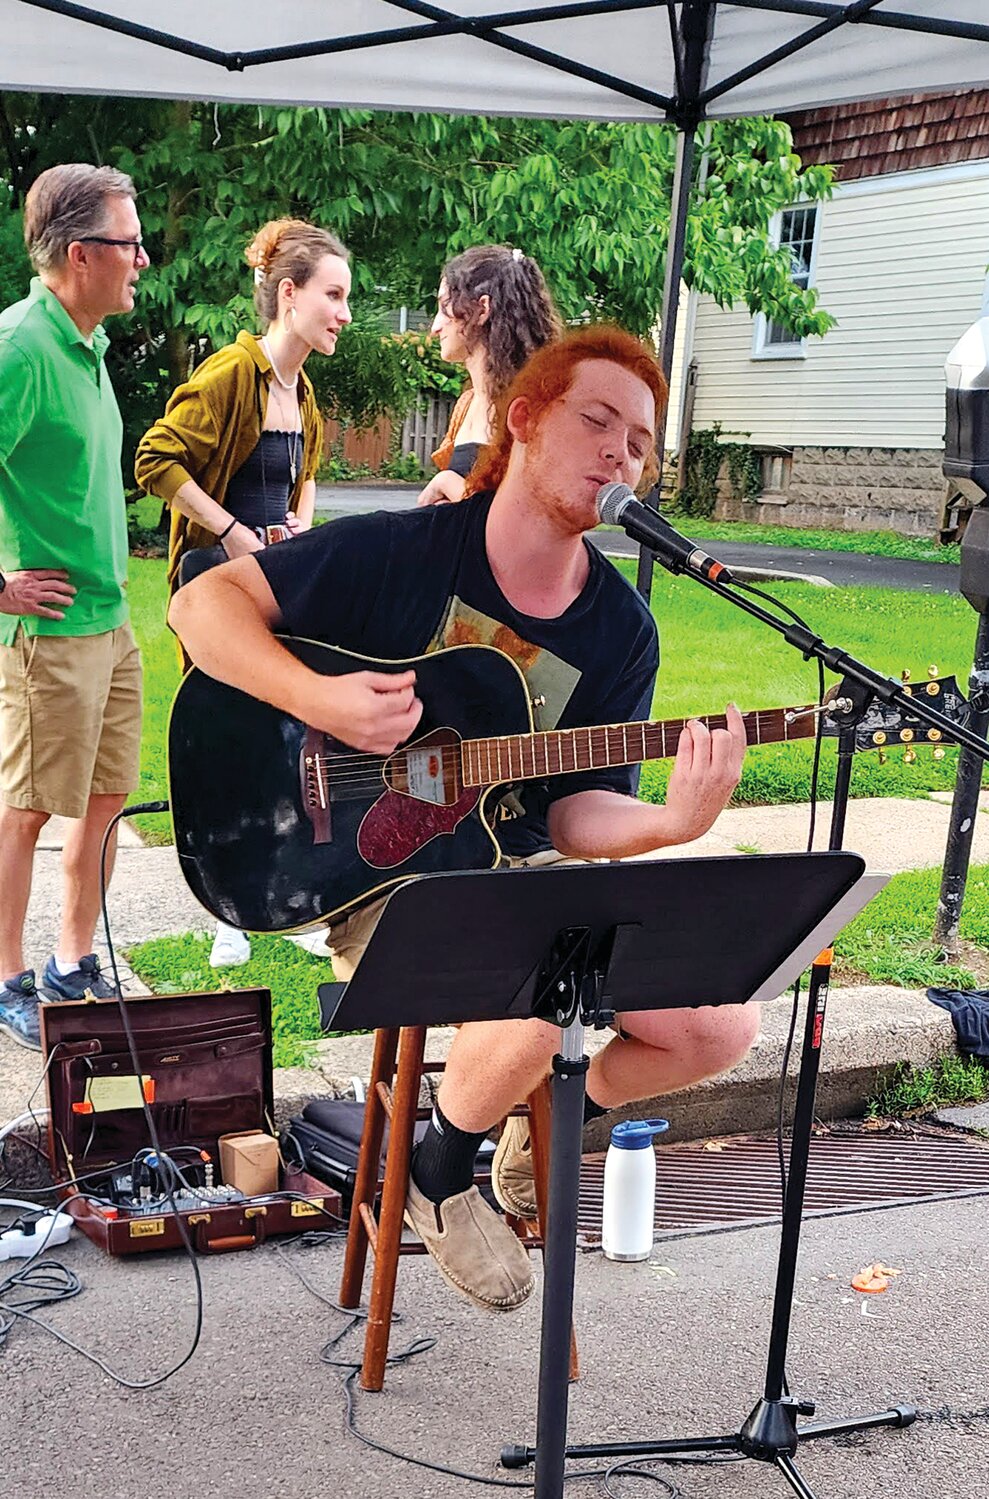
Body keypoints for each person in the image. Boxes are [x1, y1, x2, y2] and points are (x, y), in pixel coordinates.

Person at [168, 324, 756, 1313]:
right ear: (522, 419)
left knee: (719, 1026)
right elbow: (201, 608)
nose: (620, 451)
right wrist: (321, 702)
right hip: (367, 872)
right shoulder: (404, 550)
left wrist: (668, 822)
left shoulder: (619, 627)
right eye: (598, 420)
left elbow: (571, 812)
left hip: (505, 865)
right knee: (551, 968)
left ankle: (539, 1132)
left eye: (642, 443)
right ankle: (437, 1169)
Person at [135, 218, 351, 969]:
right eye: (333, 295)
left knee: (278, 745)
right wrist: (228, 529)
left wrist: (299, 524)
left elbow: (309, 471)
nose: (344, 313)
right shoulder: (231, 373)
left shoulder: (303, 392)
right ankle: (226, 911)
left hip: (271, 592)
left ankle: (273, 898)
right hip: (215, 592)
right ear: (287, 295)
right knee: (223, 745)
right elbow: (155, 457)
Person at [0, 163, 148, 1051]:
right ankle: (7, 975)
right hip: (47, 633)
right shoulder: (20, 345)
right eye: (129, 244)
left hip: (111, 622)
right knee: (26, 808)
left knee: (107, 796)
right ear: (82, 253)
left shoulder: (86, 346)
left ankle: (71, 960)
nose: (141, 260)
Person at [416, 243, 560, 507]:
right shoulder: (466, 404)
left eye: (444, 307)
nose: (435, 327)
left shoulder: (531, 410)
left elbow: (527, 513)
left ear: (482, 309)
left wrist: (445, 482)